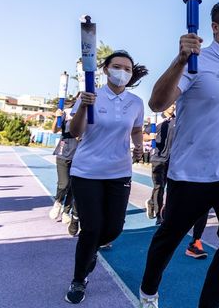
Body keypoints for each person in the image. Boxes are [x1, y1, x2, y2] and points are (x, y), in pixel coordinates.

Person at [139, 0, 219, 308]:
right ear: (214, 26)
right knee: (168, 238)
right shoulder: (197, 61)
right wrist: (180, 59)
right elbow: (157, 103)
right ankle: (149, 292)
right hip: (190, 171)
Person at [64, 50, 147, 304]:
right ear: (105, 70)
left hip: (119, 171)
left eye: (127, 69)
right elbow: (75, 132)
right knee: (92, 229)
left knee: (113, 229)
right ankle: (79, 280)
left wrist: (139, 146)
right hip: (87, 171)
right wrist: (84, 107)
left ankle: (90, 250)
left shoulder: (135, 102)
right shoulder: (91, 96)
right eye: (117, 67)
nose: (122, 72)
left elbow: (135, 129)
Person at [50, 98, 80, 236]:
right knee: (64, 184)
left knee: (73, 187)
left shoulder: (86, 114)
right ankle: (58, 202)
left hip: (79, 156)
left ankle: (66, 211)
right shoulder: (66, 113)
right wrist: (57, 117)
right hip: (63, 153)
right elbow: (55, 129)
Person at [145, 104, 175, 225]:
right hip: (158, 158)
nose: (173, 107)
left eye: (174, 104)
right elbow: (143, 134)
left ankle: (152, 203)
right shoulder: (156, 119)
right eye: (171, 104)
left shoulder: (177, 120)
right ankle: (159, 215)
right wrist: (149, 137)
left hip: (173, 158)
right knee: (159, 186)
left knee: (170, 186)